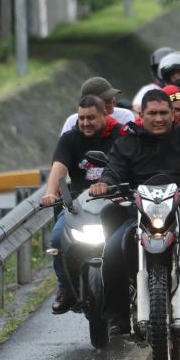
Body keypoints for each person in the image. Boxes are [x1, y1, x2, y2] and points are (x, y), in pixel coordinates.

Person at [91, 91, 180, 336]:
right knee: (112, 250)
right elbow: (113, 170)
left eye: (164, 112)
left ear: (173, 114)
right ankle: (118, 316)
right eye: (152, 113)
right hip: (138, 215)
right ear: (140, 115)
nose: (158, 118)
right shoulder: (126, 143)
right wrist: (104, 183)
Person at [41, 94, 127, 314]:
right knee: (57, 237)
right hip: (80, 205)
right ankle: (66, 289)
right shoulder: (70, 138)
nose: (86, 123)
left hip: (118, 201)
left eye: (91, 118)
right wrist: (50, 193)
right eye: (81, 118)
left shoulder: (122, 135)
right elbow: (58, 168)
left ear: (105, 115)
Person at [59, 77, 137, 134]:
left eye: (112, 96)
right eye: (106, 98)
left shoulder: (124, 115)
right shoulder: (72, 121)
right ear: (88, 103)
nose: (111, 100)